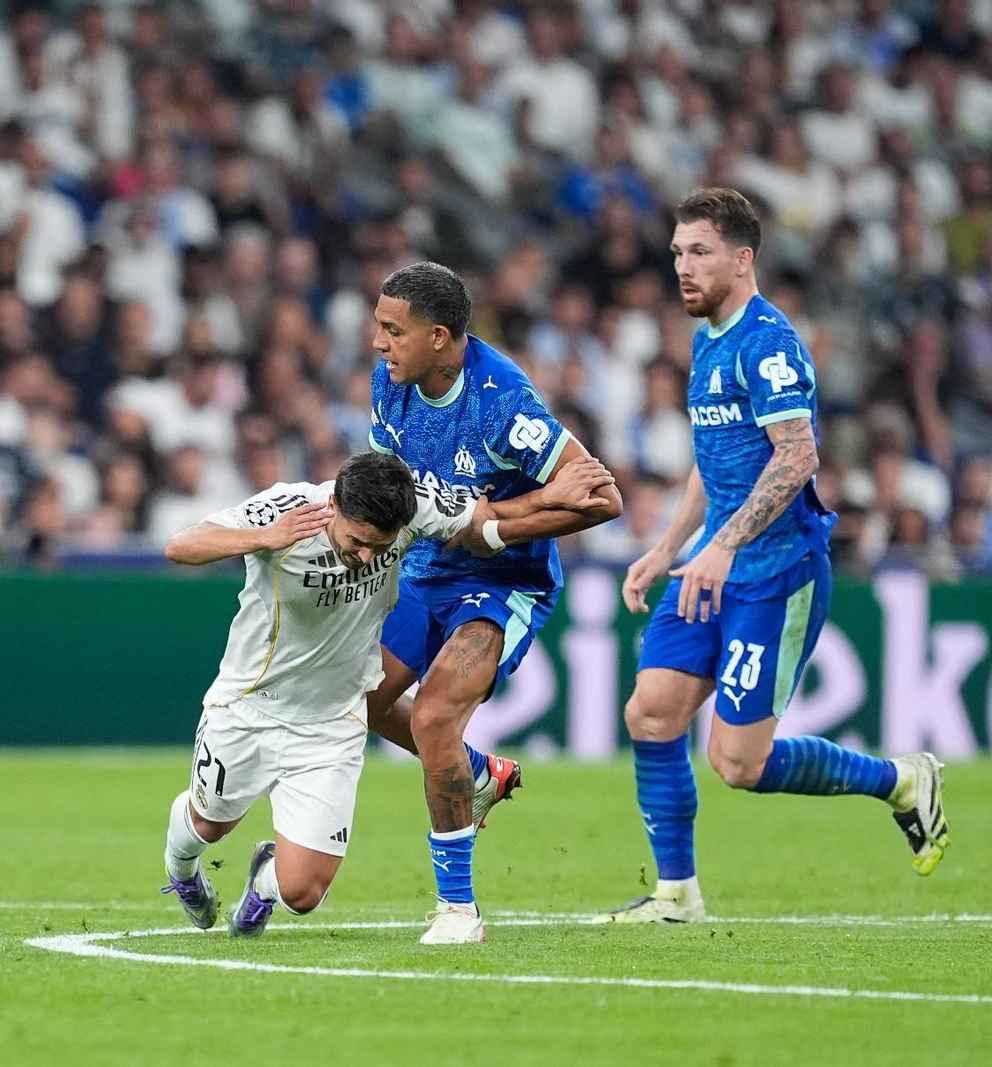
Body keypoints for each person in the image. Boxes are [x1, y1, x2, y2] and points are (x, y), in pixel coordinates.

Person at [599, 188, 948, 924]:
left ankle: (901, 779)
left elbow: (797, 456)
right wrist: (667, 546)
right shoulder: (707, 337)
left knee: (738, 763)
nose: (682, 267)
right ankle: (676, 895)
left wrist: (722, 546)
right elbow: (715, 459)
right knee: (651, 713)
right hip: (710, 565)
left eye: (699, 252)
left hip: (775, 572)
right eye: (677, 253)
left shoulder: (769, 343)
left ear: (742, 258)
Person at [158, 449, 614, 936]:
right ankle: (181, 871)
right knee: (209, 825)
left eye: (381, 546)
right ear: (334, 506)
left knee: (302, 894)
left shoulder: (413, 505)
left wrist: (549, 496)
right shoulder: (288, 507)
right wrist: (264, 538)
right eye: (357, 542)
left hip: (333, 723)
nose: (367, 558)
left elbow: (484, 518)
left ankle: (262, 885)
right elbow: (181, 547)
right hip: (249, 708)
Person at [361, 262, 625, 944]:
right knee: (361, 700)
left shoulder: (502, 402)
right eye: (379, 326)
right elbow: (397, 491)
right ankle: (477, 775)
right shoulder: (390, 386)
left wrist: (498, 529)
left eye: (393, 330)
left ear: (439, 337)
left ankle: (457, 910)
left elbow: (603, 497)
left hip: (505, 581)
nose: (379, 342)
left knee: (436, 714)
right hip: (425, 569)